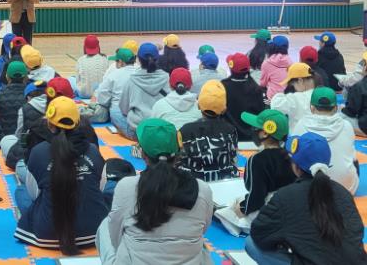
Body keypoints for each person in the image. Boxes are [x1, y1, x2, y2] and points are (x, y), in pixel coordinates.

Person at [96, 118, 213, 265]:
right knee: (200, 244)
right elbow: (204, 228)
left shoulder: (126, 187)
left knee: (106, 225)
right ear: (178, 152)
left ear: (143, 154)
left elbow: (115, 237)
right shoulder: (202, 189)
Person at [247, 132, 367, 264]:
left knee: (251, 243)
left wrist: (286, 242)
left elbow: (259, 234)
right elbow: (356, 233)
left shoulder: (285, 196)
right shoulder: (343, 193)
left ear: (295, 166)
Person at [14, 97, 108, 254]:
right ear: (78, 123)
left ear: (49, 124)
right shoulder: (92, 150)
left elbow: (34, 193)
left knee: (21, 191)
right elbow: (100, 188)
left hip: (48, 234)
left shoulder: (38, 152)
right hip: (95, 231)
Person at [292, 87, 358, 194]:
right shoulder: (347, 125)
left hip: (311, 192)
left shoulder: (301, 124)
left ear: (312, 108)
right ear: (336, 108)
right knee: (353, 156)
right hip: (346, 190)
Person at [237, 109, 296, 218]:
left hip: (267, 214)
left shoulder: (257, 159)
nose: (253, 130)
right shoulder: (291, 156)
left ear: (265, 133)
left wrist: (242, 209)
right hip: (290, 211)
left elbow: (256, 197)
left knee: (229, 209)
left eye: (255, 128)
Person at [179, 80, 239, 182]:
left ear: (198, 105)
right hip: (224, 184)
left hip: (193, 185)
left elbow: (179, 160)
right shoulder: (230, 130)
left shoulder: (185, 130)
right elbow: (233, 159)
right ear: (224, 109)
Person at [117, 43, 169, 140]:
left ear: (138, 59)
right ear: (157, 58)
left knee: (115, 112)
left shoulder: (132, 80)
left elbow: (124, 108)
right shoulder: (166, 78)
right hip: (162, 128)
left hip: (139, 129)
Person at [222, 53, 266, 141]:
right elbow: (260, 112)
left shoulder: (223, 86)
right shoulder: (255, 88)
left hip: (229, 136)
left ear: (231, 69)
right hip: (251, 136)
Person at [91, 48, 138, 124]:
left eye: (116, 61)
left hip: (119, 116)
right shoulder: (140, 72)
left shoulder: (114, 75)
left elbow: (102, 98)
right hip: (137, 115)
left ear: (120, 62)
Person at [0, 61, 28, 148]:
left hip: (1, 140)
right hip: (24, 141)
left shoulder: (0, 94)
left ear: (7, 76)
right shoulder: (30, 94)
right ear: (26, 77)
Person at [269, 62, 316, 130]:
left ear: (300, 81)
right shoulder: (322, 94)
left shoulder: (296, 98)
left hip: (298, 135)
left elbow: (276, 106)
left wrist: (283, 89)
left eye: (292, 85)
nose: (294, 88)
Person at [341, 54, 367, 136]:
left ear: (365, 67)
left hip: (364, 125)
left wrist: (343, 109)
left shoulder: (360, 86)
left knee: (339, 117)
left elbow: (351, 112)